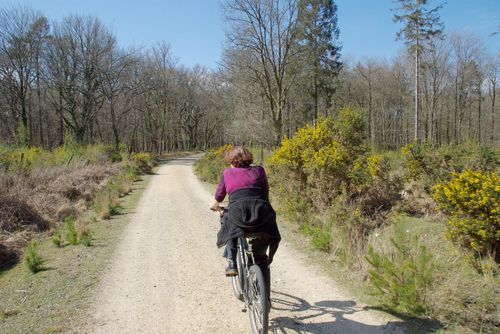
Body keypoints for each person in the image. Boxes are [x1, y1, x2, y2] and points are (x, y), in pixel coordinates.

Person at [211, 146, 280, 285]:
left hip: (239, 215)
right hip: (262, 214)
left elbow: (219, 195)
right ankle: (259, 261)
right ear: (249, 159)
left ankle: (232, 262)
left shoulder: (227, 173)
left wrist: (216, 205)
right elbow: (265, 191)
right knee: (260, 254)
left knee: (227, 220)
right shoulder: (260, 170)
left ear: (231, 161)